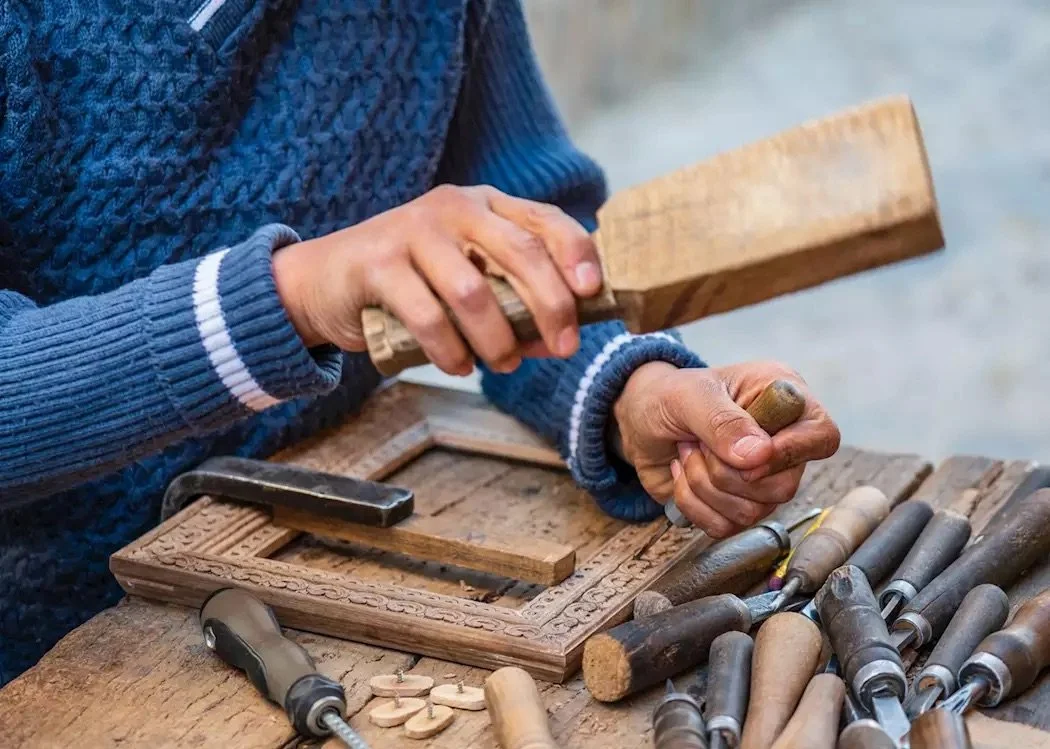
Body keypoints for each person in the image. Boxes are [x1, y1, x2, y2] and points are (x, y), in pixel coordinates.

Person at [0, 0, 839, 684]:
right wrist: (288, 300)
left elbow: (526, 242)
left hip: (330, 579)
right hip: (46, 649)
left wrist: (627, 387)